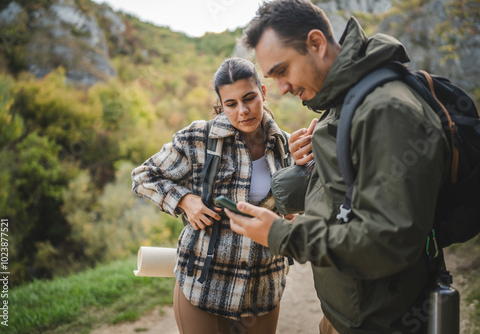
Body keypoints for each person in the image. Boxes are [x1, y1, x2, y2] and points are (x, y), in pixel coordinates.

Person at [226, 1, 449, 333]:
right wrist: (311, 162)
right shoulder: (340, 103)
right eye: (274, 77)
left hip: (383, 320)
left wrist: (281, 235)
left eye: (283, 71)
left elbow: (389, 240)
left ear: (316, 44)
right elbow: (349, 193)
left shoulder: (386, 110)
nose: (283, 89)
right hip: (346, 313)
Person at [131, 57, 292, 334]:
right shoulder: (198, 138)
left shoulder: (284, 145)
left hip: (263, 287)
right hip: (202, 285)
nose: (242, 111)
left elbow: (295, 206)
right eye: (231, 104)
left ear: (263, 93)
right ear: (221, 103)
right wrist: (185, 200)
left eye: (249, 98)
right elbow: (143, 176)